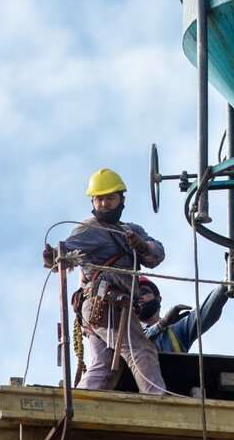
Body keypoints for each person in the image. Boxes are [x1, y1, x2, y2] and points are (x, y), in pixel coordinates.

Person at [43, 168, 167, 395]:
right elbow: (66, 249)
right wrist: (54, 255)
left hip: (105, 308)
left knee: (107, 366)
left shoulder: (130, 230)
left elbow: (157, 253)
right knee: (141, 350)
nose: (103, 204)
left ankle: (83, 403)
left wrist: (142, 246)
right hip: (106, 304)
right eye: (99, 199)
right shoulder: (90, 229)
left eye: (110, 198)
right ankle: (157, 400)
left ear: (121, 199)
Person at [138, 253, 234, 353]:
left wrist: (227, 281)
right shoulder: (127, 331)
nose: (138, 297)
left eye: (143, 292)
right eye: (134, 295)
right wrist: (163, 323)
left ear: (158, 299)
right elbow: (137, 343)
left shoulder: (176, 331)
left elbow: (205, 312)